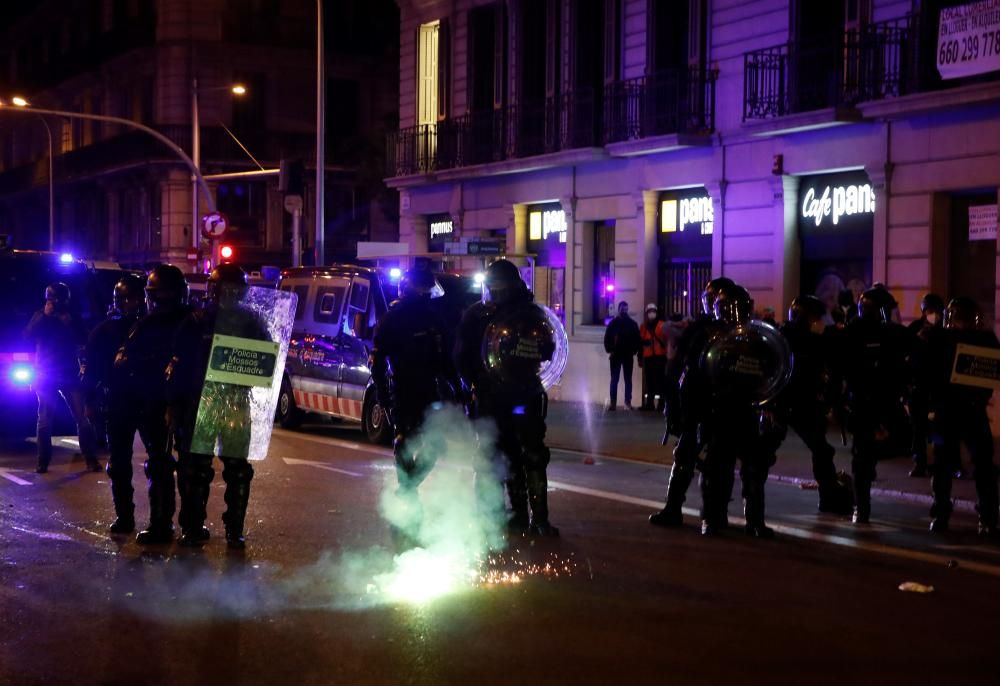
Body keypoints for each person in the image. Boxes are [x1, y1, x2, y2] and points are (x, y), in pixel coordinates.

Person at [168, 264, 271, 549]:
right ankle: (223, 529)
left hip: (216, 401)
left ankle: (202, 527)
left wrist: (174, 404)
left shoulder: (203, 320)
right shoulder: (201, 321)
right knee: (208, 468)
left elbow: (265, 362)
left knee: (204, 468)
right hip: (215, 401)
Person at [455, 259, 558, 536]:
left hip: (516, 394)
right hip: (501, 396)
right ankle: (503, 516)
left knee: (525, 455)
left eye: (500, 288)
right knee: (496, 456)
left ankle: (527, 517)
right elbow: (462, 359)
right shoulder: (481, 315)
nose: (496, 293)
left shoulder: (526, 315)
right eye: (493, 288)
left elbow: (548, 348)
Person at [695, 284, 789, 537]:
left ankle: (753, 521)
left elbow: (772, 374)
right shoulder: (709, 336)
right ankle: (714, 519)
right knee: (718, 469)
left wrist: (769, 405)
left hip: (745, 410)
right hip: (721, 411)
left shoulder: (757, 338)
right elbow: (696, 376)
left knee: (751, 470)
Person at [106, 266, 191, 541]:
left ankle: (163, 525)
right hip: (145, 400)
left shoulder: (185, 322)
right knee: (157, 464)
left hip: (162, 400)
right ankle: (161, 523)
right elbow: (122, 360)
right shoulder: (150, 324)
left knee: (164, 465)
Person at [649, 277, 733, 528]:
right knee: (686, 456)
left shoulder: (735, 333)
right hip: (697, 402)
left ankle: (713, 515)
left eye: (713, 300)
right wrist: (673, 404)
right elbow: (680, 368)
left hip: (719, 405)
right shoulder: (699, 329)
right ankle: (675, 509)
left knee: (718, 462)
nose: (709, 304)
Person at [371, 268, 459, 492]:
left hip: (423, 390)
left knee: (430, 443)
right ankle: (408, 490)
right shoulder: (396, 319)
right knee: (406, 441)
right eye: (424, 291)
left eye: (428, 291)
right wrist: (383, 397)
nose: (427, 295)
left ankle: (408, 488)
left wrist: (459, 389)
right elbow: (378, 362)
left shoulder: (430, 318)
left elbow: (446, 358)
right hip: (407, 390)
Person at [924, 297, 999, 537]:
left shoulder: (939, 338)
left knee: (946, 467)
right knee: (981, 466)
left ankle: (943, 516)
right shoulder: (986, 339)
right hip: (968, 410)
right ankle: (986, 518)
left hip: (952, 411)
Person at [840, 287, 909, 524]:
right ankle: (861, 507)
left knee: (869, 455)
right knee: (863, 458)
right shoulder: (859, 333)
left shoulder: (885, 332)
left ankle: (862, 506)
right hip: (869, 403)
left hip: (880, 403)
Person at [778, 295, 852, 514]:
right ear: (808, 318)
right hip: (801, 403)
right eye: (818, 317)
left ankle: (753, 514)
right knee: (821, 450)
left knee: (761, 457)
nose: (821, 322)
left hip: (784, 403)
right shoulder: (811, 341)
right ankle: (828, 497)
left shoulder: (783, 335)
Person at [23, 282, 100, 473]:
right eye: (50, 300)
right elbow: (27, 335)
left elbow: (84, 338)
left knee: (81, 418)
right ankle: (42, 461)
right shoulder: (40, 315)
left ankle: (90, 458)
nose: (53, 303)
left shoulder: (71, 316)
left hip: (67, 373)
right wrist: (45, 317)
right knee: (44, 420)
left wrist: (69, 323)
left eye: (55, 300)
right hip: (46, 373)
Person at [82, 275, 146, 453]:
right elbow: (92, 370)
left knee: (157, 461)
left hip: (147, 399)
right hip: (118, 399)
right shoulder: (104, 331)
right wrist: (90, 402)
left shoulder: (151, 327)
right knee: (119, 458)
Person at [906, 293, 944, 478]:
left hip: (938, 388)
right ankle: (919, 463)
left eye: (937, 311)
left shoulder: (945, 331)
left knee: (939, 429)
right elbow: (906, 356)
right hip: (918, 387)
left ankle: (941, 463)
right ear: (923, 312)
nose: (934, 315)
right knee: (918, 429)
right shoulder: (915, 329)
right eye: (930, 311)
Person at [603, 301, 641, 411]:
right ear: (619, 309)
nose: (624, 310)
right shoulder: (618, 323)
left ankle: (624, 403)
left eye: (625, 308)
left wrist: (634, 350)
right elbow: (607, 339)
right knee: (618, 379)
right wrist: (610, 350)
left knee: (624, 379)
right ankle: (617, 403)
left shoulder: (622, 323)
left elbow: (636, 339)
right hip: (618, 355)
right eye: (623, 308)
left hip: (624, 355)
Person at [638, 303, 666, 411]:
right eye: (649, 312)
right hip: (648, 356)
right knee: (649, 381)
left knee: (660, 381)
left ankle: (661, 404)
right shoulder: (643, 326)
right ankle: (649, 404)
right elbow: (640, 342)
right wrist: (640, 357)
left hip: (660, 356)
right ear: (646, 314)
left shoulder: (662, 325)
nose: (651, 313)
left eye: (653, 311)